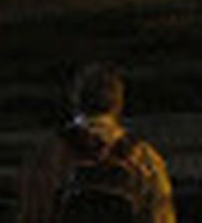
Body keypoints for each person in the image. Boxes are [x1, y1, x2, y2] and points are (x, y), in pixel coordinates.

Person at [17, 63, 176, 223]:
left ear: (75, 102)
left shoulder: (49, 156)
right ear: (118, 104)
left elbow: (32, 216)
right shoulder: (144, 159)